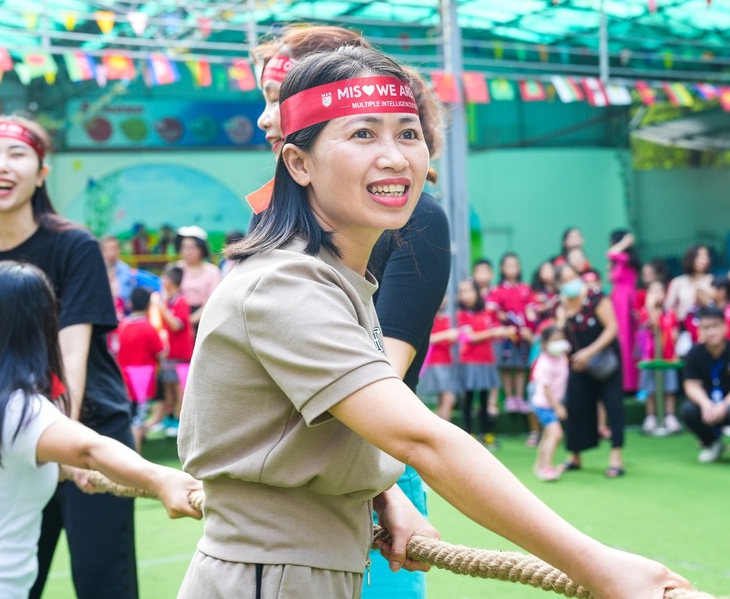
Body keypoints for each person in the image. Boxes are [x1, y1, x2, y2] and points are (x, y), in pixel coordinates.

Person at [176, 46, 690, 599]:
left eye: (408, 133)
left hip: (306, 568)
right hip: (272, 577)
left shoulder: (335, 277)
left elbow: (314, 433)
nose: (395, 158)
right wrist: (597, 565)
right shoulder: (287, 284)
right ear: (298, 163)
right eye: (362, 134)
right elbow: (422, 438)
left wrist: (382, 493)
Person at [252, 25, 451, 598]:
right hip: (280, 487)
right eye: (265, 98)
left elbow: (373, 383)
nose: (264, 118)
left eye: (278, 97)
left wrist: (384, 493)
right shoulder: (270, 225)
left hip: (376, 462)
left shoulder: (418, 220)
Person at [0, 261, 201, 599]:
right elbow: (90, 449)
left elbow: (4, 460)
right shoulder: (21, 410)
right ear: (43, 328)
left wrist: (67, 467)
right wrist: (160, 478)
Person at [0, 115, 142, 599]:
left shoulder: (74, 246)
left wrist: (67, 446)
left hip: (89, 430)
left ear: (41, 173)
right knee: (11, 583)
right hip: (12, 440)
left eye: (16, 155)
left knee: (102, 580)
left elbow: (70, 352)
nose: (1, 165)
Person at [555, 264, 626, 478]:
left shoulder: (596, 297)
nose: (571, 282)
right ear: (559, 284)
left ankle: (616, 457)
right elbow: (560, 336)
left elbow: (612, 328)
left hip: (605, 361)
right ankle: (574, 456)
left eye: (573, 277)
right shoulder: (561, 305)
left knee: (613, 405)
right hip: (578, 363)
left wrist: (589, 353)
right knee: (575, 405)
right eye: (565, 280)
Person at [456, 278, 509, 450]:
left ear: (477, 292)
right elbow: (469, 338)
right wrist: (494, 332)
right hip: (469, 362)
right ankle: (468, 434)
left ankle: (486, 434)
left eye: (469, 290)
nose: (465, 295)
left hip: (487, 360)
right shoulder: (461, 315)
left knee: (486, 399)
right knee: (469, 398)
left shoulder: (487, 312)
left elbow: (498, 327)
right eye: (462, 292)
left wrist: (503, 330)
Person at [116, 287, 165, 451]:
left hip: (124, 378)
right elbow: (161, 352)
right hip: (142, 380)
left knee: (130, 418)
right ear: (148, 305)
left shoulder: (122, 326)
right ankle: (134, 457)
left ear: (130, 304)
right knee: (138, 421)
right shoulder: (148, 328)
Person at [679, 306, 730, 463]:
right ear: (700, 330)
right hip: (709, 407)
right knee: (688, 411)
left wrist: (724, 405)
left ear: (724, 327)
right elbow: (691, 385)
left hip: (728, 403)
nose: (711, 332)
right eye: (706, 328)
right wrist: (705, 404)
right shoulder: (694, 354)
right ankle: (712, 443)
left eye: (715, 326)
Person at [148, 266, 194, 438]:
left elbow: (176, 325)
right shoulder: (167, 301)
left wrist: (161, 307)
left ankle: (180, 421)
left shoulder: (181, 301)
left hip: (181, 355)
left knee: (179, 388)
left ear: (171, 281)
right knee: (168, 385)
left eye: (164, 278)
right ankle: (169, 418)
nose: (162, 281)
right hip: (169, 353)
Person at [486, 252, 534, 416]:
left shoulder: (525, 289)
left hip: (522, 337)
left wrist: (529, 328)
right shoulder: (497, 290)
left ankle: (520, 398)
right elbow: (490, 313)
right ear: (502, 268)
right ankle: (509, 398)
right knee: (505, 367)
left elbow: (531, 312)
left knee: (521, 367)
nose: (512, 268)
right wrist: (501, 326)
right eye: (508, 265)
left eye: (515, 265)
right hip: (504, 337)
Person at [636, 279, 681, 434]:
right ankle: (650, 417)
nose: (657, 294)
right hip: (650, 358)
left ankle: (670, 416)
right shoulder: (644, 312)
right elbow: (652, 324)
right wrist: (650, 306)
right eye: (653, 291)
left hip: (667, 358)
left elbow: (674, 332)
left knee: (669, 388)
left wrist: (675, 351)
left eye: (660, 290)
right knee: (650, 389)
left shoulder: (670, 313)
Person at [530, 325, 570, 481]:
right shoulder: (544, 363)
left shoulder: (561, 357)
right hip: (544, 406)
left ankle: (539, 466)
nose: (559, 343)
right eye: (554, 340)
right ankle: (547, 469)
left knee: (547, 436)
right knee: (556, 434)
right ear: (544, 343)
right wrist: (558, 407)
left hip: (552, 404)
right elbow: (546, 389)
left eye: (560, 339)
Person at [606, 230, 640, 394]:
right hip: (617, 299)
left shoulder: (625, 258)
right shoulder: (620, 260)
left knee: (627, 340)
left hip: (625, 300)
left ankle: (630, 383)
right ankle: (621, 381)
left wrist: (625, 242)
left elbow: (610, 253)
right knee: (619, 340)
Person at [666, 245, 713, 356]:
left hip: (708, 330)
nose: (704, 260)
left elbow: (717, 307)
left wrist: (704, 299)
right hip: (684, 331)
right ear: (691, 258)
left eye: (706, 256)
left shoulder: (713, 280)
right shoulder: (678, 282)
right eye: (700, 256)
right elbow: (668, 308)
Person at [418, 297, 459, 422]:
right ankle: (444, 428)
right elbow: (427, 339)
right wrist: (446, 335)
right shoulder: (429, 319)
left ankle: (438, 425)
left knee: (443, 399)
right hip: (435, 362)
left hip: (446, 361)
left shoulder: (446, 319)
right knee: (449, 398)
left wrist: (453, 338)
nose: (443, 300)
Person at [172, 226, 221, 330]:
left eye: (192, 248)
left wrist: (191, 320)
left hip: (204, 320)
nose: (187, 252)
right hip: (178, 321)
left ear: (201, 249)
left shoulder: (212, 271)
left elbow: (212, 301)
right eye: (184, 247)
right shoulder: (175, 269)